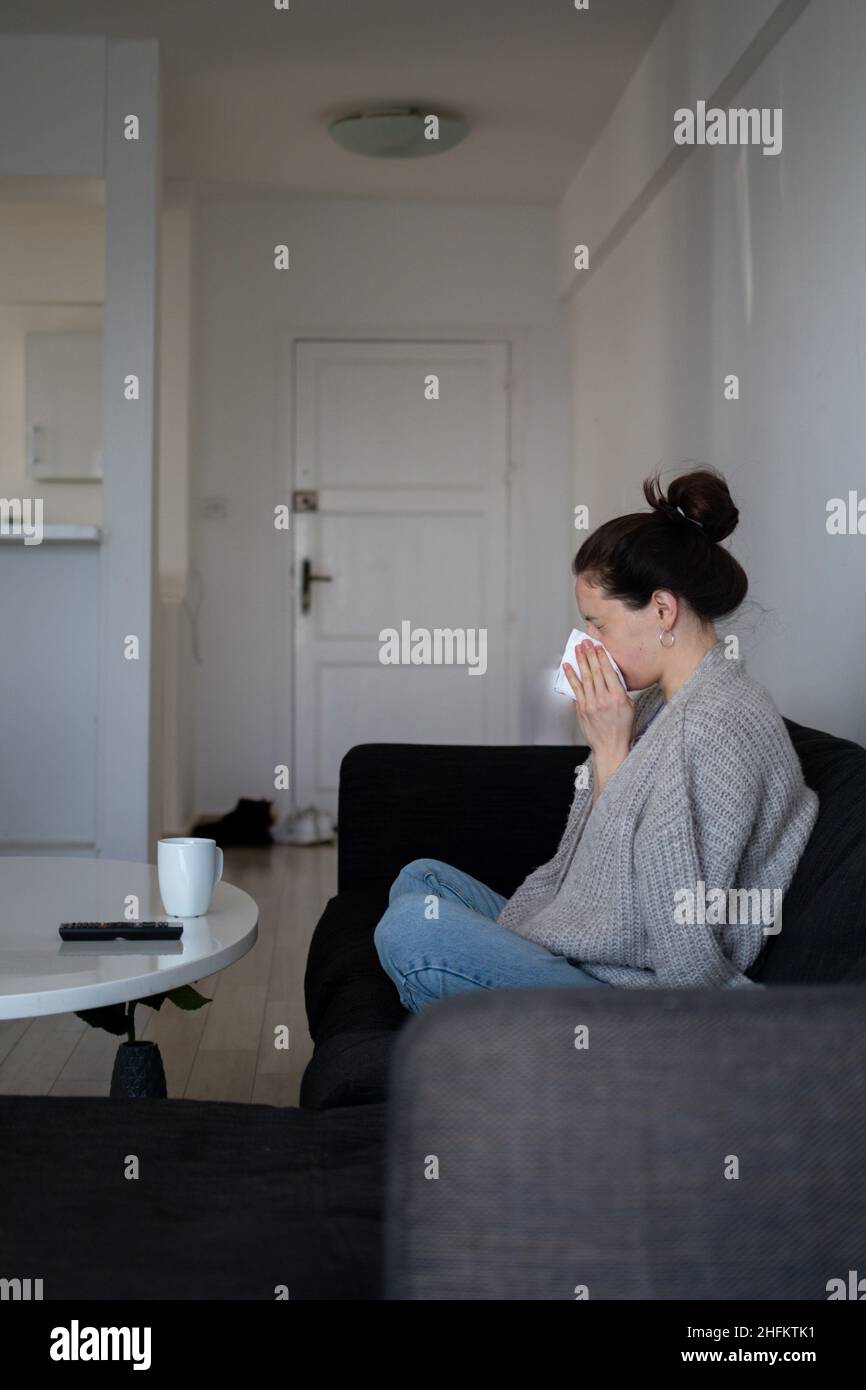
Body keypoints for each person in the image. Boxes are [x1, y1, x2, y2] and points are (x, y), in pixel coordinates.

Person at [374, 467, 819, 1014]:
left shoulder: (717, 723)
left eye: (599, 624)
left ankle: (498, 1053)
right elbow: (599, 869)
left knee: (414, 929)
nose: (589, 642)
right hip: (602, 954)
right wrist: (612, 745)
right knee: (422, 879)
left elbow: (670, 923)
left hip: (641, 997)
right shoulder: (665, 701)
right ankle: (481, 1018)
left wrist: (611, 753)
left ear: (662, 610)